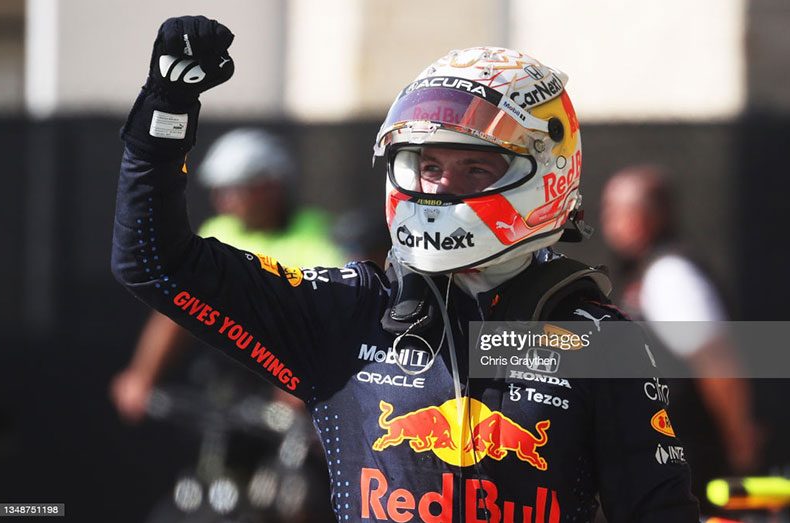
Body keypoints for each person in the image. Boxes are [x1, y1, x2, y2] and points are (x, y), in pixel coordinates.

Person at [112, 16, 700, 522]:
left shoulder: (598, 338)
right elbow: (153, 263)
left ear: (547, 176)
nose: (441, 187)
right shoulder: (348, 309)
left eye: (476, 168)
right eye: (427, 163)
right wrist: (166, 112)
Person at [110, 128, 344, 423]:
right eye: (219, 191)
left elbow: (336, 317)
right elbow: (175, 311)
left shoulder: (317, 235)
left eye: (236, 190)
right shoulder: (218, 232)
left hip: (296, 383)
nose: (223, 201)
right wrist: (142, 375)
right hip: (230, 382)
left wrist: (306, 382)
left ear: (271, 186)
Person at [600, 165, 761, 508]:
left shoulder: (670, 273)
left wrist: (738, 438)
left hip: (694, 463)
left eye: (617, 211)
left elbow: (716, 359)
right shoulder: (645, 273)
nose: (608, 222)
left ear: (647, 217)